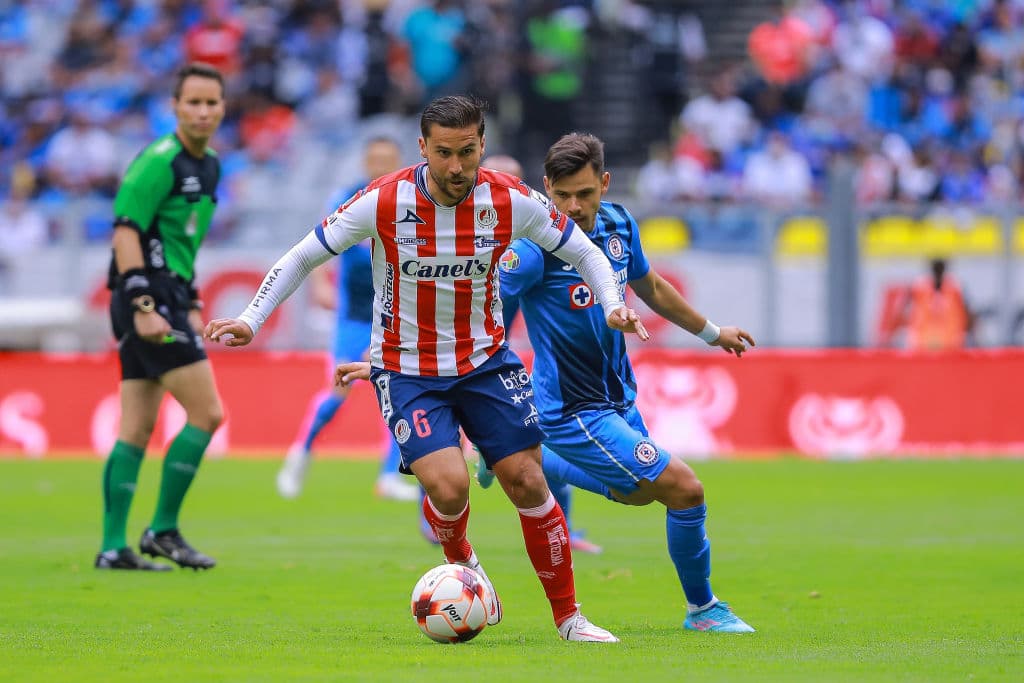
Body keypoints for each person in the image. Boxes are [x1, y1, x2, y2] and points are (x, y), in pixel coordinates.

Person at [205, 95, 649, 642]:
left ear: (483, 144)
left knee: (529, 480)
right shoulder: (384, 201)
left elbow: (586, 252)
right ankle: (465, 562)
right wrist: (252, 317)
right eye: (444, 153)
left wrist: (611, 304)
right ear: (423, 148)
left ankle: (569, 618)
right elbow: (303, 255)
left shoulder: (510, 200)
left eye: (467, 152)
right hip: (408, 370)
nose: (457, 166)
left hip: (486, 364)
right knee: (449, 487)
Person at [496, 132, 756, 632]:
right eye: (562, 195)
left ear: (605, 184)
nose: (573, 207)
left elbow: (652, 286)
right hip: (572, 409)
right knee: (685, 488)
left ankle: (534, 460)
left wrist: (711, 333)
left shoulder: (619, 224)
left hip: (617, 397)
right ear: (546, 187)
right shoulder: (533, 248)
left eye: (585, 194)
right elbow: (489, 309)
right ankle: (703, 611)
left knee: (641, 494)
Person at [95, 63, 226, 572]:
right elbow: (126, 232)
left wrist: (190, 299)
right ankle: (163, 531)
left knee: (137, 426)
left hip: (170, 295)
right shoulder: (157, 161)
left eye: (211, 102)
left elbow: (182, 241)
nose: (202, 111)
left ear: (223, 108)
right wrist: (144, 306)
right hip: (145, 296)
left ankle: (112, 547)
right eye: (192, 101)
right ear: (174, 106)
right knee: (208, 413)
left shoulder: (211, 165)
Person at [277, 136, 419, 503]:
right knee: (337, 394)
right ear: (366, 162)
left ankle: (389, 475)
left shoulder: (412, 199)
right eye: (375, 159)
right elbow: (318, 243)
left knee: (398, 393)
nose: (381, 165)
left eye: (388, 159)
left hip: (393, 317)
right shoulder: (350, 198)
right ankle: (301, 452)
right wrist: (322, 281)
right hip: (353, 316)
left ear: (398, 160)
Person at [475, 153, 603, 555]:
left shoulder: (535, 238)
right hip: (475, 351)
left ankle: (562, 529)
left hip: (511, 350)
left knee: (542, 443)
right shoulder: (476, 235)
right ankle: (433, 522)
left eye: (510, 181)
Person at [903, 258, 973, 351]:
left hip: (951, 337)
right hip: (923, 336)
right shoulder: (920, 287)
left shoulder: (954, 287)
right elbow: (905, 307)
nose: (938, 272)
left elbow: (965, 309)